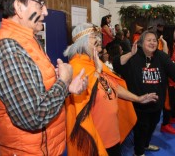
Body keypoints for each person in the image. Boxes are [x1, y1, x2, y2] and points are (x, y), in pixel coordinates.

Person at [0, 0, 88, 155]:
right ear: (19, 7)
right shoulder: (8, 49)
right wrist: (63, 81)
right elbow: (33, 116)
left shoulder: (27, 40)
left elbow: (39, 94)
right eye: (40, 4)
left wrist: (67, 88)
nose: (46, 12)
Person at [64, 23, 158, 156]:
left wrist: (138, 99)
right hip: (96, 140)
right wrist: (98, 71)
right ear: (83, 42)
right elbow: (83, 103)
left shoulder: (94, 62)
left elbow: (113, 86)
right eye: (94, 38)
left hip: (112, 136)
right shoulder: (77, 67)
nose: (99, 42)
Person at [112, 30, 175, 156]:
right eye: (149, 40)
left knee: (152, 126)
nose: (152, 43)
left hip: (156, 102)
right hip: (139, 103)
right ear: (141, 43)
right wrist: (130, 54)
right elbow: (116, 64)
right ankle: (138, 153)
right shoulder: (134, 56)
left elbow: (173, 68)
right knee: (141, 129)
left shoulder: (161, 56)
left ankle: (145, 145)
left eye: (154, 40)